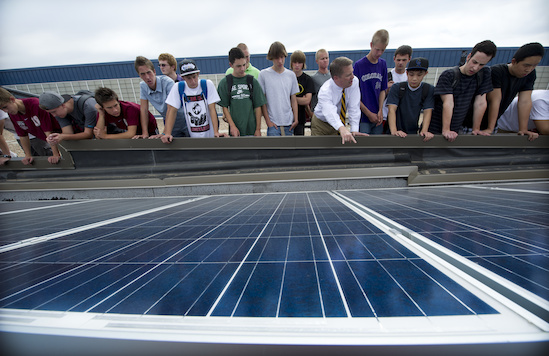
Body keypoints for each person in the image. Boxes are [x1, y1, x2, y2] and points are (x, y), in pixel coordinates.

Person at [428, 40, 497, 142]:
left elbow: (481, 103)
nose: (475, 67)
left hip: (457, 129)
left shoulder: (483, 74)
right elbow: (448, 103)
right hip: (435, 128)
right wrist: (446, 129)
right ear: (469, 56)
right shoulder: (449, 75)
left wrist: (476, 129)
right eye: (474, 62)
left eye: (481, 65)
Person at [479, 42, 545, 141]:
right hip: (478, 118)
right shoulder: (496, 71)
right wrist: (490, 128)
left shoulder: (529, 75)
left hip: (497, 120)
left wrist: (523, 129)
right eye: (526, 65)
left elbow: (525, 101)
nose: (529, 69)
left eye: (534, 66)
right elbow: (495, 101)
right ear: (514, 61)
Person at [311, 57, 368, 144]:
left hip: (339, 122)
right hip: (321, 125)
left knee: (336, 153)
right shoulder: (325, 91)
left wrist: (354, 129)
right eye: (348, 75)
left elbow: (354, 106)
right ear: (336, 78)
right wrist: (341, 128)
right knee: (320, 153)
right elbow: (330, 112)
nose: (352, 76)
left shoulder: (354, 81)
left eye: (352, 72)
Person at [162, 59, 221, 141]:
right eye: (189, 78)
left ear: (198, 74)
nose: (193, 81)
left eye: (194, 77)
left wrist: (216, 132)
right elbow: (172, 110)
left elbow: (212, 109)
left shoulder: (207, 84)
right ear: (182, 77)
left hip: (209, 133)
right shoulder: (178, 87)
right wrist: (167, 133)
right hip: (192, 134)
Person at [0, 87, 61, 165]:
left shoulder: (35, 105)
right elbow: (22, 135)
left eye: (5, 107)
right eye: (2, 109)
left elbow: (48, 130)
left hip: (59, 134)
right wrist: (28, 155)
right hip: (45, 136)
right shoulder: (13, 114)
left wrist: (55, 154)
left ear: (12, 99)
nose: (6, 111)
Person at [134, 56, 189, 139]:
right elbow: (144, 110)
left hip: (186, 122)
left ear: (154, 72)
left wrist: (164, 133)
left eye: (149, 72)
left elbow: (170, 108)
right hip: (172, 125)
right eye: (143, 74)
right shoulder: (143, 86)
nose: (147, 77)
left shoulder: (167, 82)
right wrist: (145, 133)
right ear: (139, 75)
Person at [217, 47, 266, 137]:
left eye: (244, 65)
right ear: (231, 65)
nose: (242, 68)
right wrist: (232, 126)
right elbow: (224, 107)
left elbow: (258, 106)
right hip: (235, 132)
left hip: (251, 130)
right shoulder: (226, 82)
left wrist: (258, 129)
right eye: (238, 66)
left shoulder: (252, 81)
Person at [387, 57, 435, 141]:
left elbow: (428, 111)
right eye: (411, 74)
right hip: (395, 130)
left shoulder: (428, 89)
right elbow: (391, 110)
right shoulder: (397, 87)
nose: (414, 78)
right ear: (407, 73)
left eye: (419, 75)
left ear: (425, 74)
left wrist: (424, 131)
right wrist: (394, 131)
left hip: (412, 131)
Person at [258, 41, 299, 136]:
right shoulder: (263, 74)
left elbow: (293, 99)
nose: (280, 61)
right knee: (274, 151)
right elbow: (262, 101)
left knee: (289, 151)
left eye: (282, 57)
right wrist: (268, 122)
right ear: (271, 58)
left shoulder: (291, 75)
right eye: (277, 58)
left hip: (289, 124)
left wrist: (296, 119)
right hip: (273, 125)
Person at [354, 29, 390, 134]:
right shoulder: (359, 65)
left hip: (377, 117)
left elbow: (383, 89)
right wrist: (368, 113)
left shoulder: (383, 64)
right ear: (371, 45)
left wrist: (380, 110)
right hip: (363, 117)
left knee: (376, 146)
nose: (379, 53)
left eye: (382, 50)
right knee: (364, 147)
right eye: (377, 49)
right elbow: (354, 94)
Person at [93, 87, 157, 140]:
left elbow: (131, 134)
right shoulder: (102, 111)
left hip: (150, 129)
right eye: (109, 108)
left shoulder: (129, 109)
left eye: (116, 105)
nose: (115, 110)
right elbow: (98, 135)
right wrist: (101, 115)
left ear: (118, 101)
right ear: (103, 108)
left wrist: (105, 136)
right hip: (127, 129)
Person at [383, 45, 413, 123]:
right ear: (394, 59)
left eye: (404, 60)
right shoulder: (387, 76)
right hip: (386, 117)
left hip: (403, 118)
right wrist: (386, 90)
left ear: (409, 59)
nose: (400, 63)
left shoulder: (411, 77)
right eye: (398, 60)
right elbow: (378, 99)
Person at [290, 50, 315, 136]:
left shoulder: (307, 79)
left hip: (300, 118)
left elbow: (307, 101)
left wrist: (290, 99)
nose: (297, 65)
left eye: (299, 62)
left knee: (298, 145)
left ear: (303, 64)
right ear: (291, 63)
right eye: (295, 62)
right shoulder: (286, 77)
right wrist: (301, 99)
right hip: (286, 117)